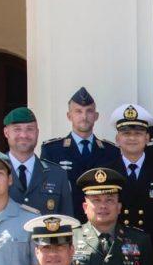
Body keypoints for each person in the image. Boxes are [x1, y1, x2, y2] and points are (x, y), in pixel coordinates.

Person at [0, 106, 74, 217]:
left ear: (37, 132)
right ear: (6, 133)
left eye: (30, 129)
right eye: (17, 129)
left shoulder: (57, 175)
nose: (24, 135)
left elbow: (67, 222)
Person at [105, 103, 153, 252]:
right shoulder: (107, 173)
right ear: (117, 139)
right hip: (116, 249)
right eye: (126, 133)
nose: (132, 138)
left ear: (147, 138)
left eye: (138, 133)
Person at [41, 87, 119, 219]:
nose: (84, 117)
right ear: (69, 116)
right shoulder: (52, 150)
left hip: (100, 222)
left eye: (89, 111)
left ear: (96, 116)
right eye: (78, 111)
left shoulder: (111, 151)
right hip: (66, 221)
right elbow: (46, 193)